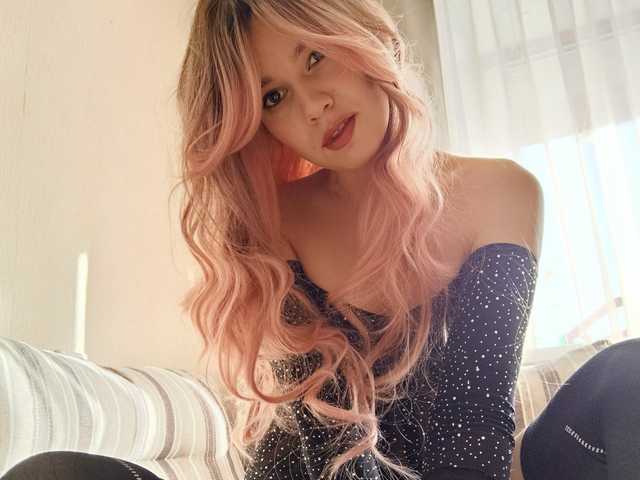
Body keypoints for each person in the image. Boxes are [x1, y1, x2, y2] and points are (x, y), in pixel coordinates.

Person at [3, 1, 638, 479]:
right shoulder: (277, 224)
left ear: (356, 35)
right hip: (327, 470)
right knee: (55, 473)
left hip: (465, 466)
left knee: (629, 373)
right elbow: (324, 444)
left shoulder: (503, 192)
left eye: (314, 57)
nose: (312, 106)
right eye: (274, 96)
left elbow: (475, 428)